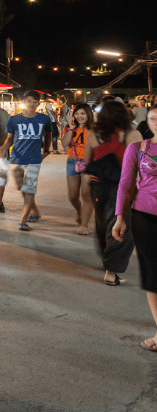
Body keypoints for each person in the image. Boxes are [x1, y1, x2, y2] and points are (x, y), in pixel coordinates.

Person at [113, 106, 157, 352]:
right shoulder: (138, 149)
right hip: (145, 217)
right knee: (152, 273)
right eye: (153, 119)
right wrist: (120, 217)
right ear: (147, 121)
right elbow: (126, 183)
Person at [84, 100, 141, 286]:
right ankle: (111, 270)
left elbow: (87, 162)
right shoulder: (133, 135)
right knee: (122, 225)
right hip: (124, 188)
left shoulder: (94, 134)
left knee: (102, 224)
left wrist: (86, 188)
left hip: (98, 186)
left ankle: (107, 260)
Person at [0, 90, 53, 230]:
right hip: (16, 157)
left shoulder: (44, 119)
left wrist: (46, 150)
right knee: (20, 187)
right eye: (28, 101)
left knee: (29, 189)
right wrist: (4, 148)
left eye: (35, 101)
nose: (31, 104)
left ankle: (23, 220)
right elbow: (10, 138)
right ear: (24, 102)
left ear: (38, 103)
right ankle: (34, 210)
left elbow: (49, 134)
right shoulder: (14, 119)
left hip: (34, 159)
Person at [61, 103, 95, 235]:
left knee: (86, 194)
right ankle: (79, 211)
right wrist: (70, 129)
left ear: (88, 114)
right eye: (77, 113)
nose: (80, 116)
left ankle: (84, 225)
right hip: (72, 162)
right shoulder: (70, 128)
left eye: (83, 113)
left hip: (89, 163)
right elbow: (65, 143)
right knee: (72, 196)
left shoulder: (94, 128)